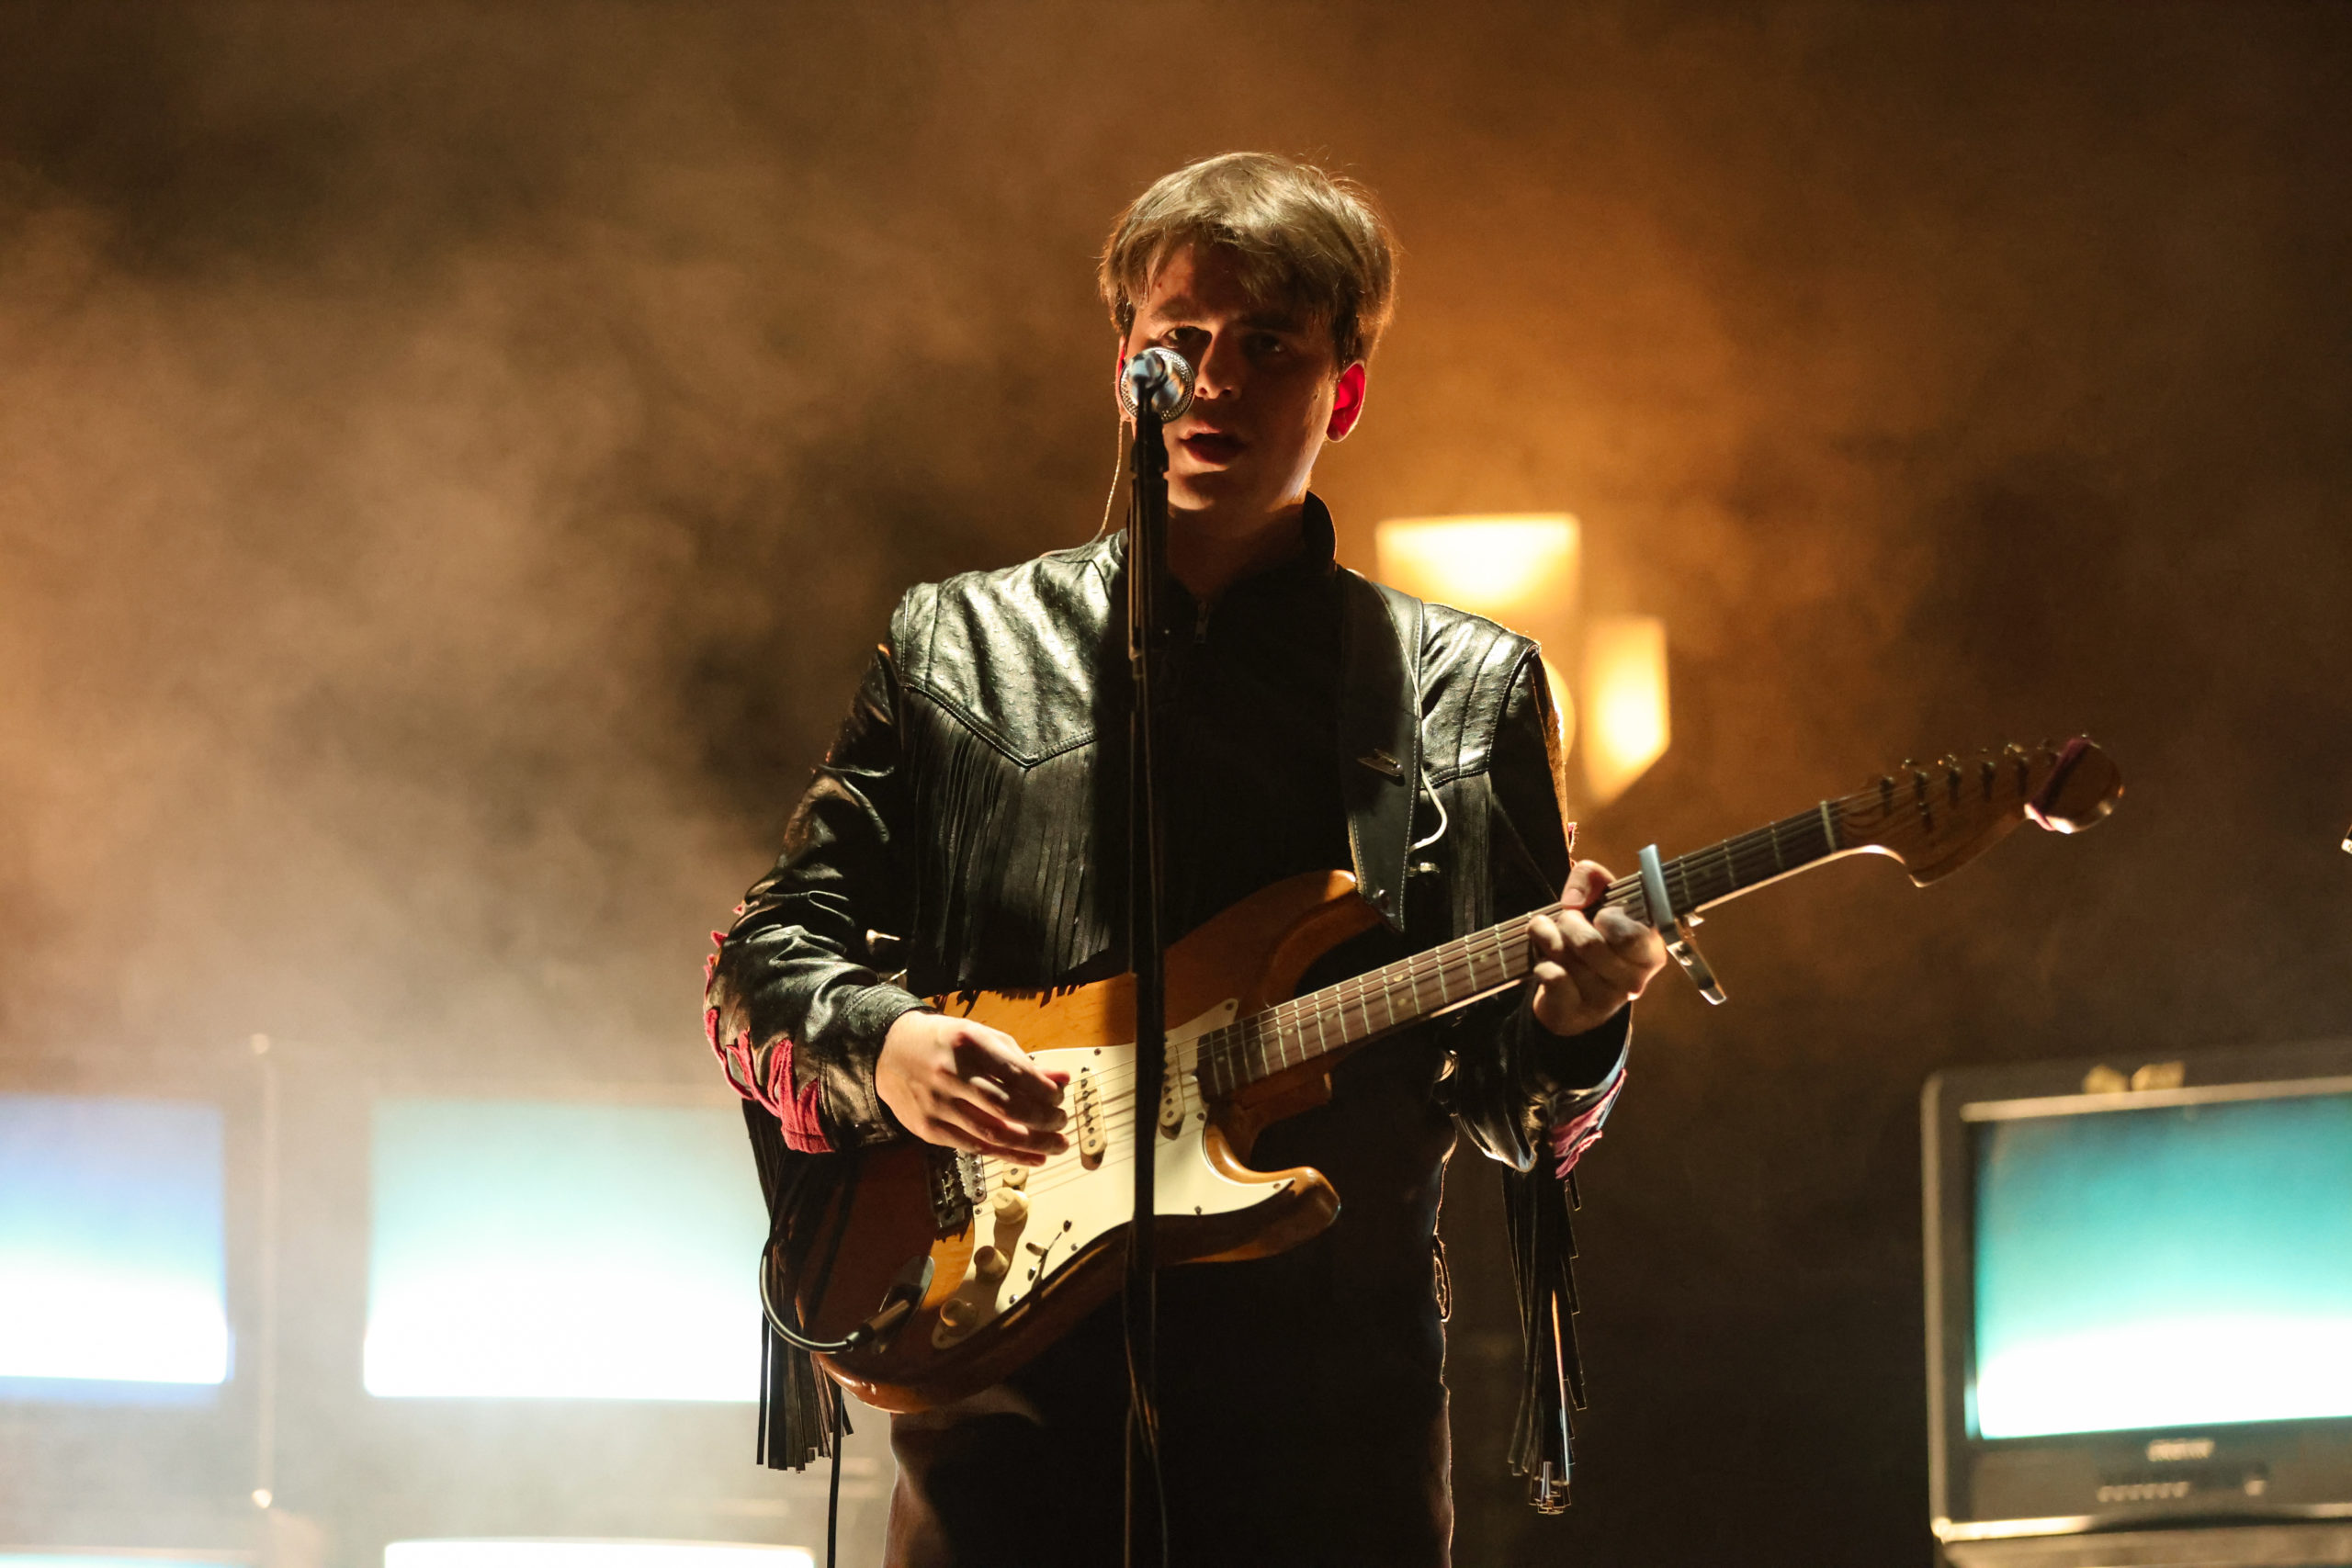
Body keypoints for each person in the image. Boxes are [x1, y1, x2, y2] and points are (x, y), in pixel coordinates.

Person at [705, 152, 1668, 1568]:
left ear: (1344, 391)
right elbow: (762, 960)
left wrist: (1580, 1028)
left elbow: (1507, 1108)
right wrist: (889, 1047)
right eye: (1183, 339)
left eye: (1269, 345)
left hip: (1328, 1438)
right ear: (1126, 370)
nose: (1216, 381)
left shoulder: (1464, 691)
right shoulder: (958, 648)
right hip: (1006, 1411)